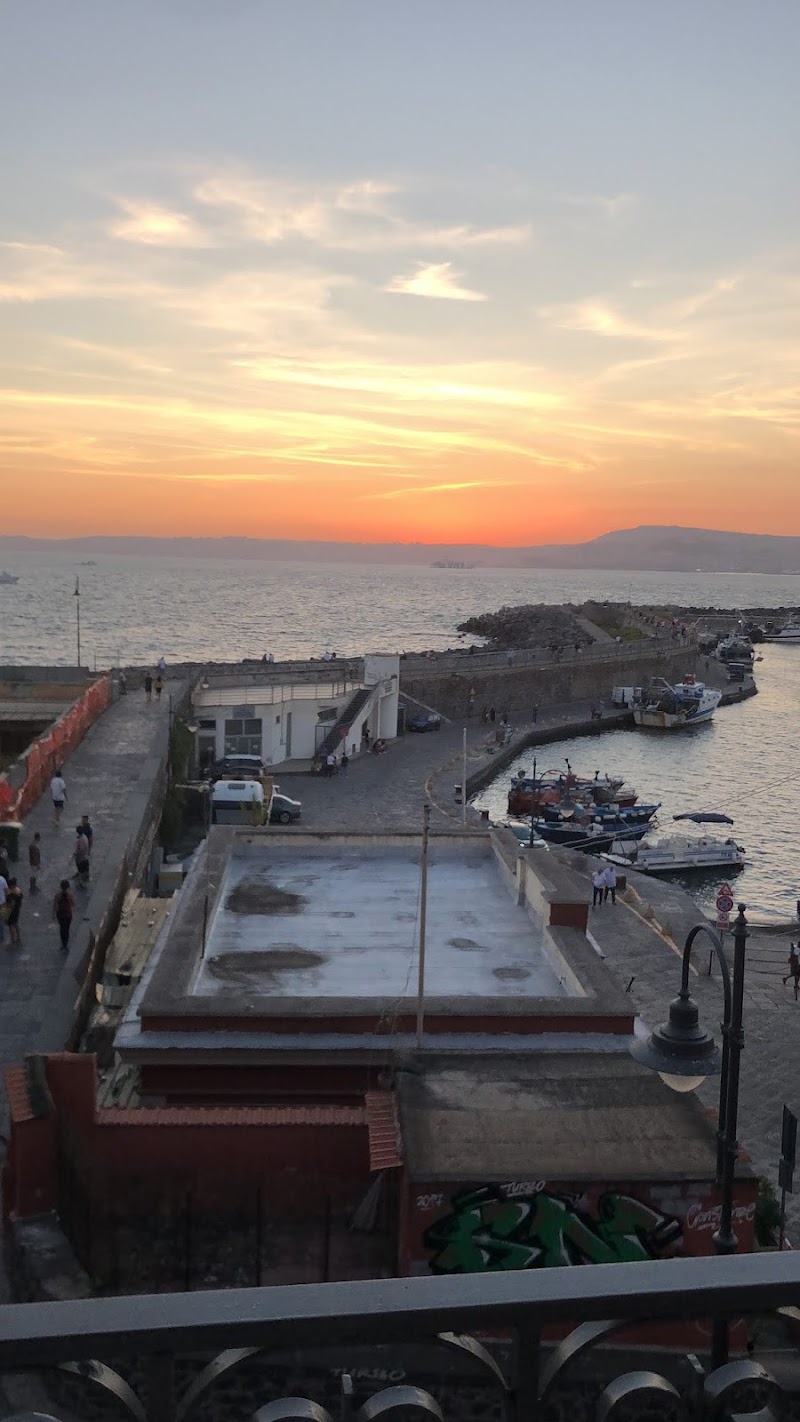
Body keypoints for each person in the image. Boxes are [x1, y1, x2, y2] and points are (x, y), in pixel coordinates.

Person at [53, 879, 75, 952]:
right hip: (68, 915)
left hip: (60, 915)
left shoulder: (57, 895)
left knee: (62, 928)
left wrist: (53, 915)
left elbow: (55, 906)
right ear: (68, 887)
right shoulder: (70, 895)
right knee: (67, 929)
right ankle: (66, 944)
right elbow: (73, 904)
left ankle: (63, 943)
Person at [5, 878, 23, 945]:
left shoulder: (11, 893)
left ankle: (13, 939)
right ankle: (18, 938)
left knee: (11, 925)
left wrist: (6, 914)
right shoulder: (19, 891)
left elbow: (9, 904)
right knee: (16, 923)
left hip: (11, 910)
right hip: (17, 910)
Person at [0, 870, 7, 946]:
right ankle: (1, 937)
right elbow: (6, 891)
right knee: (2, 919)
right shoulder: (2, 879)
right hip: (2, 902)